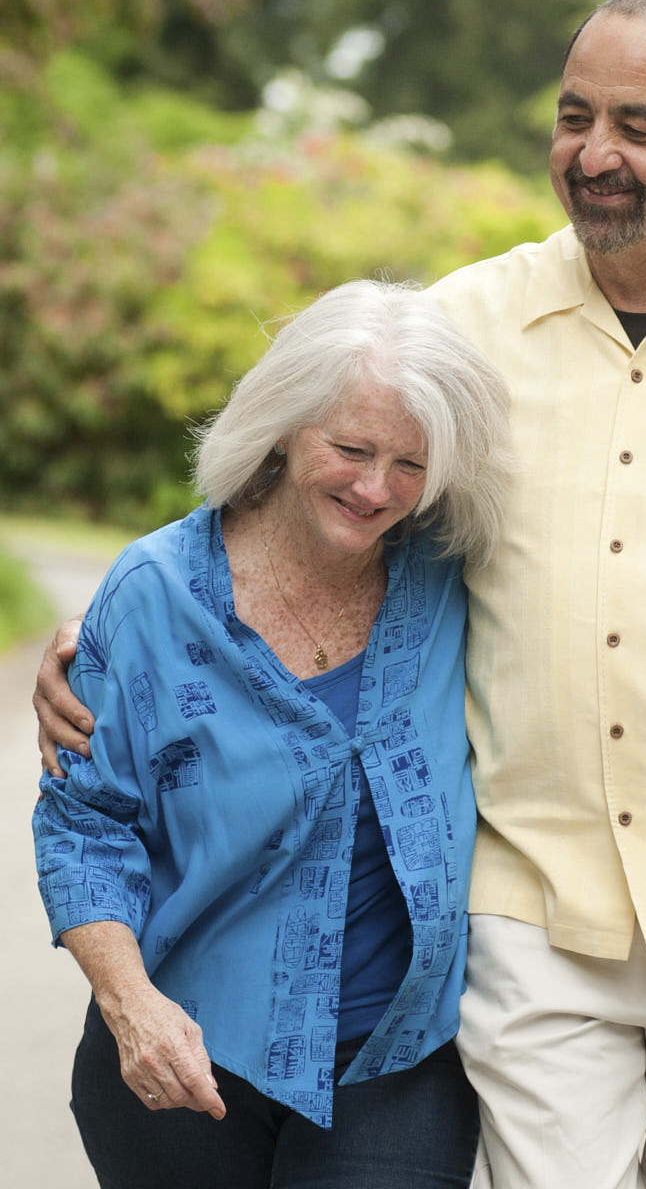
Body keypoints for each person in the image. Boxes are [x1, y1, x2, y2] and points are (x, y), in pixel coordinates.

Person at [37, 0, 646, 1189]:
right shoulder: (466, 325)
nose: (594, 155)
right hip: (532, 912)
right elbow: (298, 479)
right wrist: (111, 629)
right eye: (574, 117)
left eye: (640, 127)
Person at [32, 279, 510, 1189]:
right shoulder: (155, 594)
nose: (377, 489)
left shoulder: (453, 576)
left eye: (411, 464)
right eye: (351, 448)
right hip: (185, 1045)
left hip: (394, 1055)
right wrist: (130, 1005)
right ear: (286, 425)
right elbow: (83, 826)